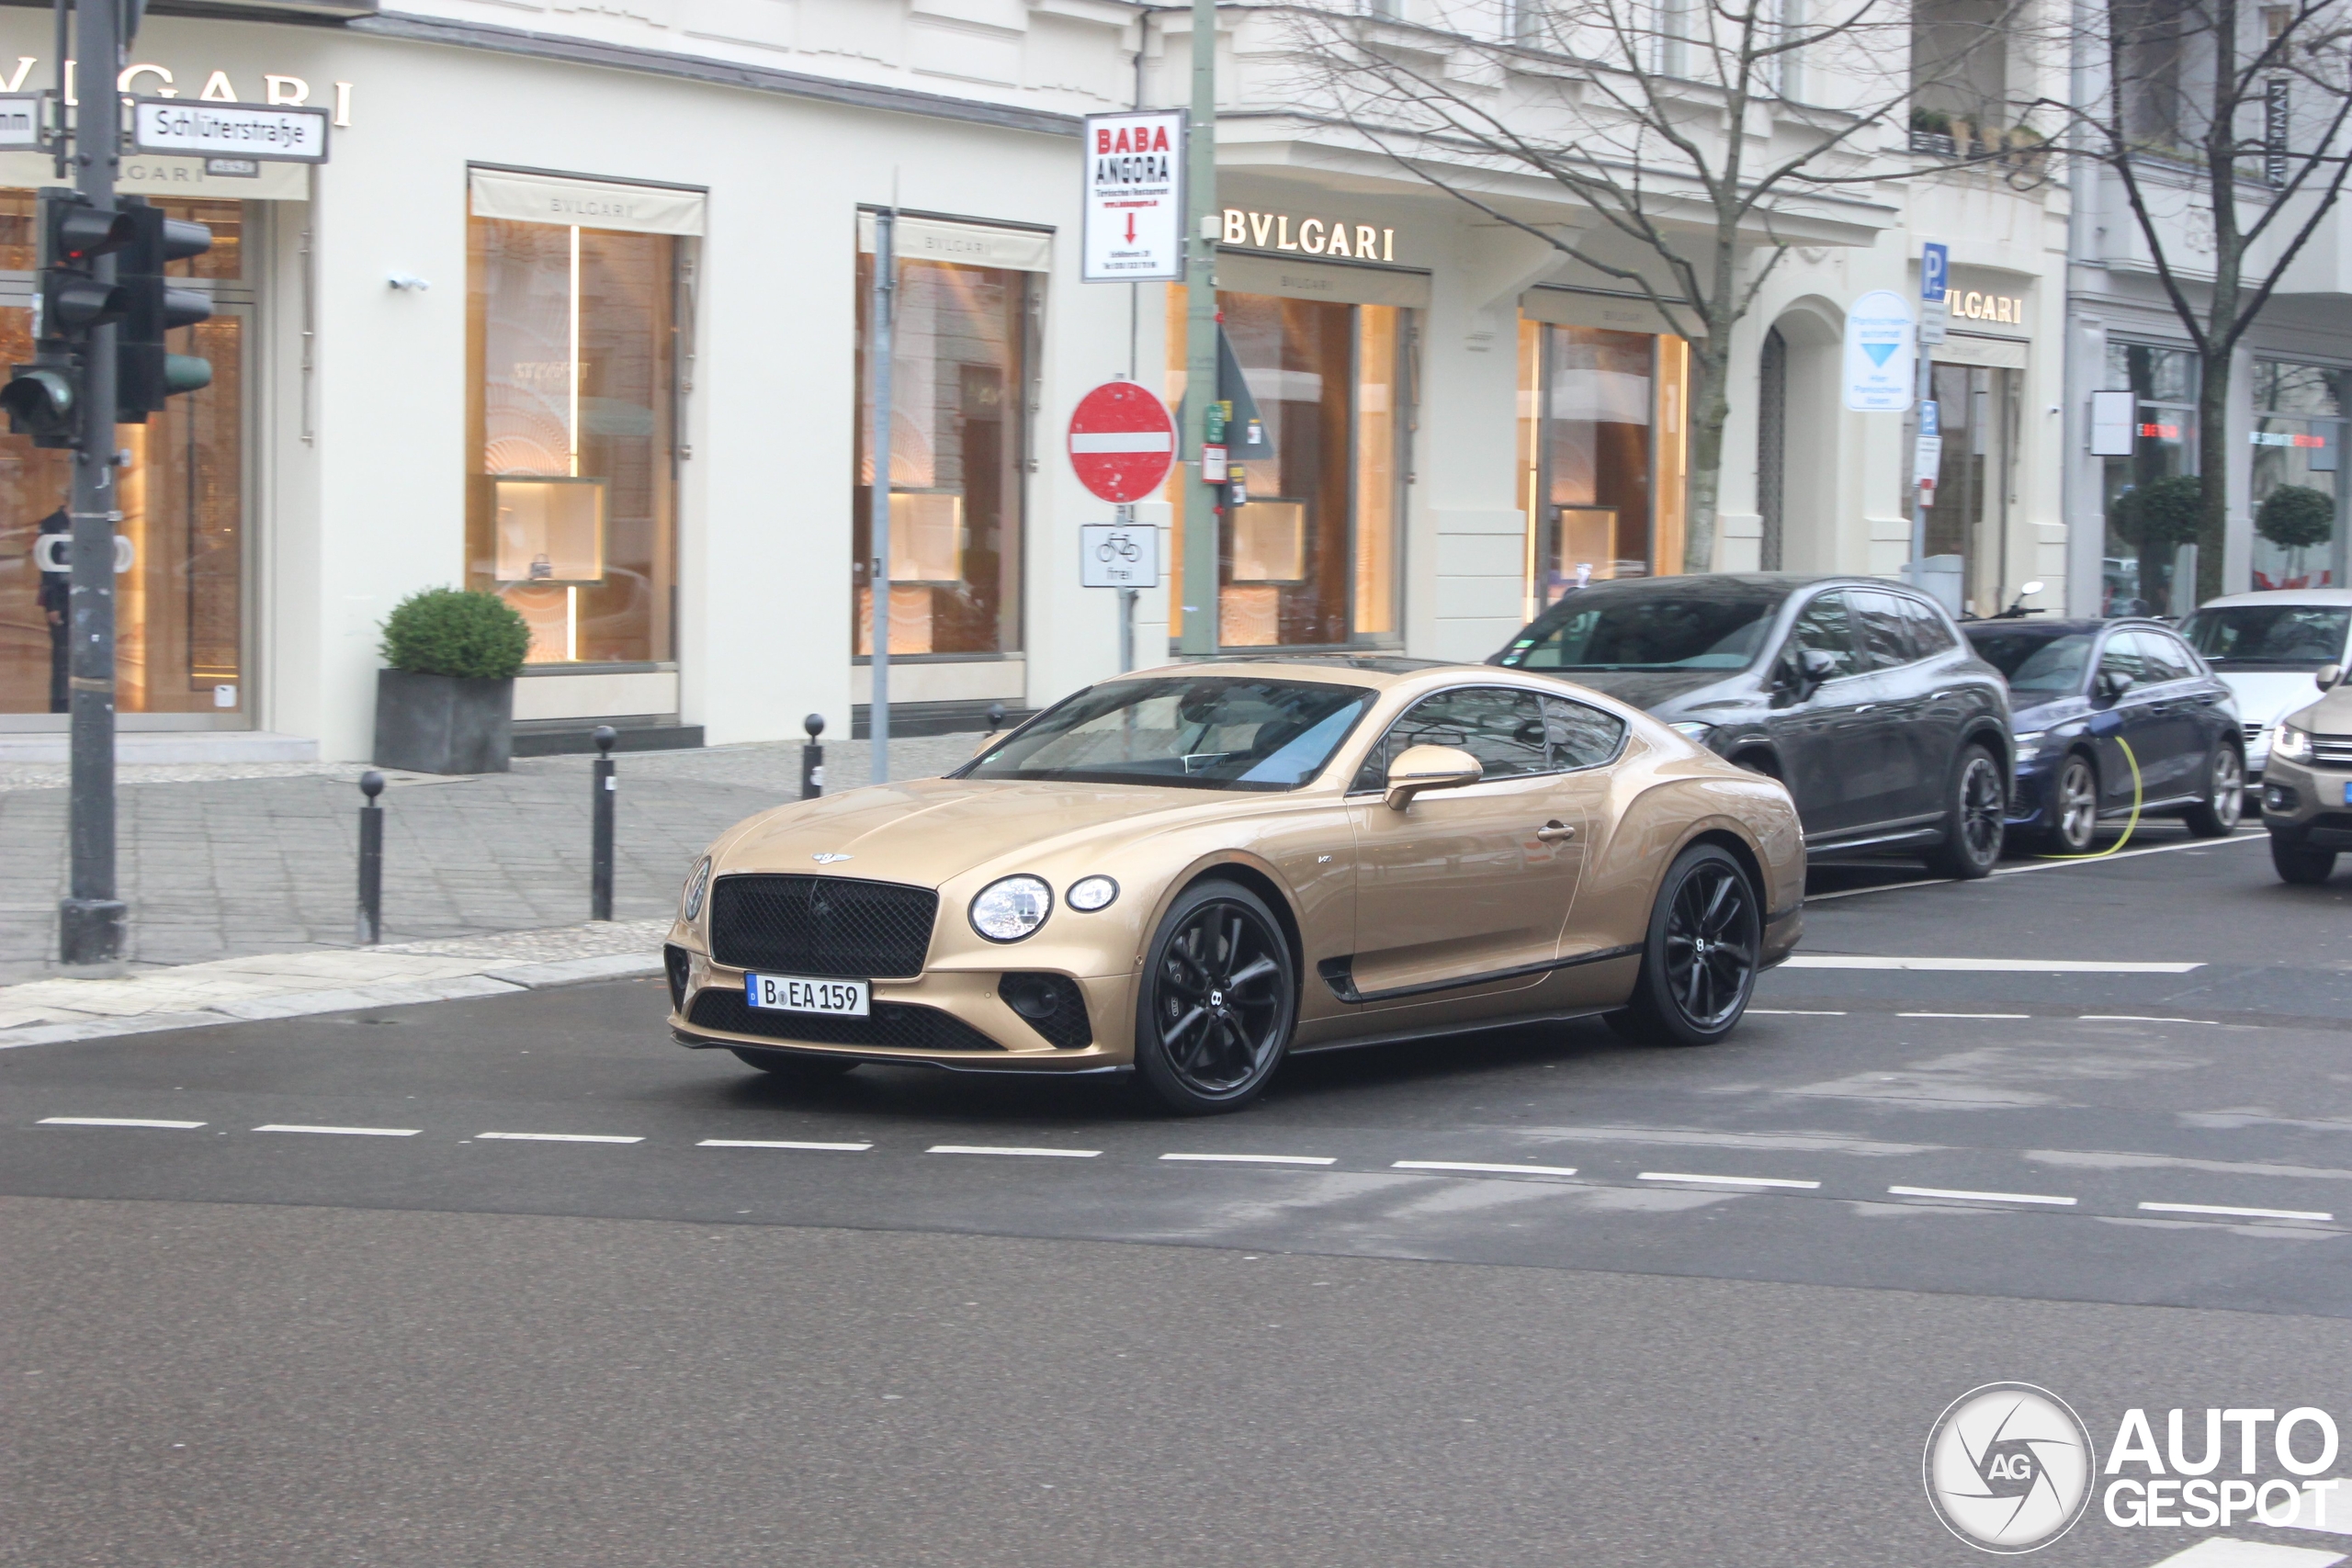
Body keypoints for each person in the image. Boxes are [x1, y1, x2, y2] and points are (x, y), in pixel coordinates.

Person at [36, 505, 66, 713]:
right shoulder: (52, 523)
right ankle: (60, 705)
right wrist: (53, 604)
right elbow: (47, 570)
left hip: (83, 598)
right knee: (62, 653)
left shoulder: (89, 523)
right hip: (61, 597)